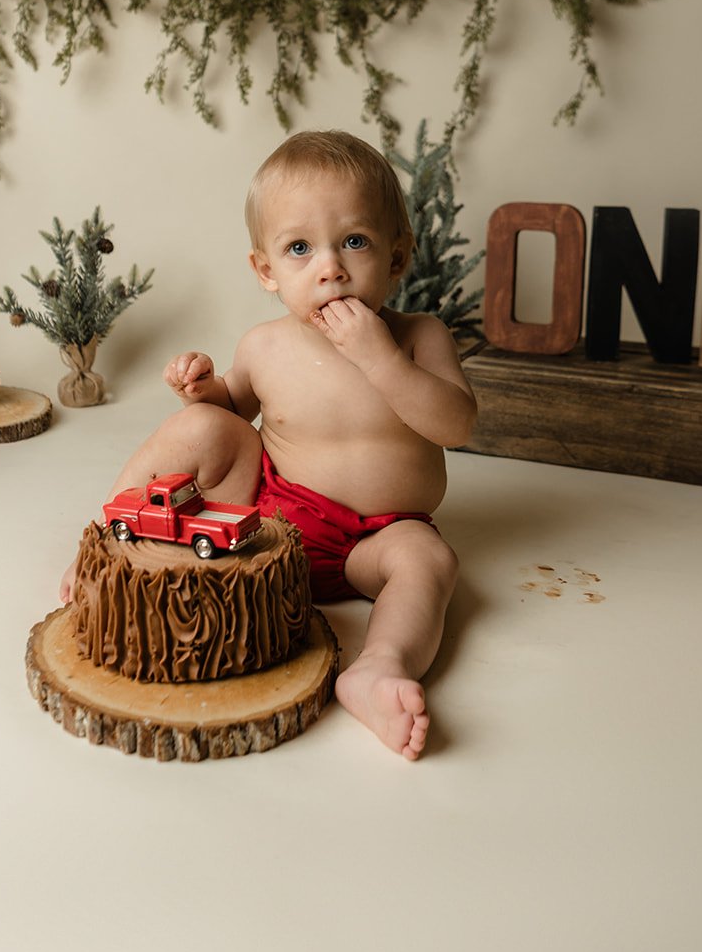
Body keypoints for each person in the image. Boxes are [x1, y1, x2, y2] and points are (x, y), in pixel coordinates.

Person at [61, 130, 477, 760]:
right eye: (300, 248)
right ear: (267, 271)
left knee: (431, 562)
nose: (329, 267)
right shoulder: (265, 346)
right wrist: (203, 391)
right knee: (206, 428)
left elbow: (456, 425)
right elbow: (232, 418)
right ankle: (107, 543)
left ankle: (377, 668)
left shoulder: (418, 337)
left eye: (355, 242)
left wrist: (382, 360)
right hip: (268, 526)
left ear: (397, 258)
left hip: (378, 540)